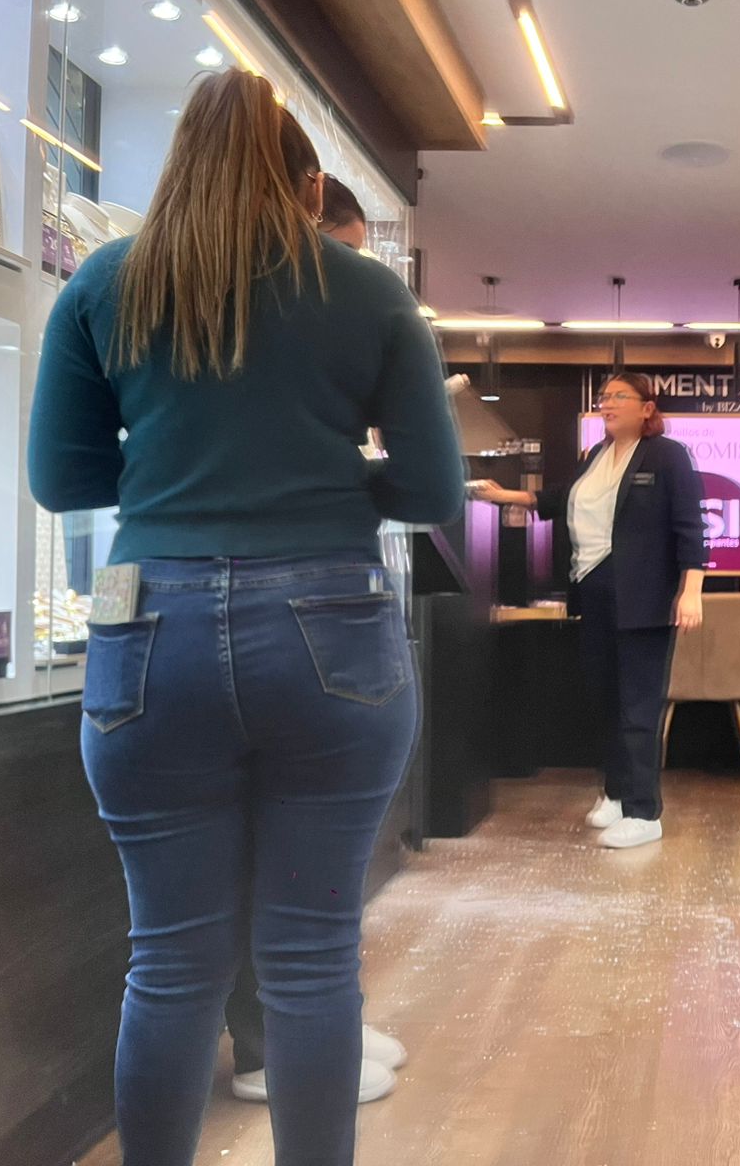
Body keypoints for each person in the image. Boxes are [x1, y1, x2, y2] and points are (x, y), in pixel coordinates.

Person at [27, 68, 463, 1166]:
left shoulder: (104, 284)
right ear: (309, 189)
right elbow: (431, 491)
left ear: (177, 167)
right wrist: (321, 480)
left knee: (170, 963)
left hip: (147, 631)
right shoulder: (366, 294)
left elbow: (61, 476)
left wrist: (175, 482)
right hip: (330, 630)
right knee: (311, 959)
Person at [221, 168, 407, 1107]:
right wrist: (341, 478)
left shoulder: (142, 290)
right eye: (343, 248)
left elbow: (71, 468)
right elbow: (428, 484)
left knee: (258, 888)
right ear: (302, 207)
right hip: (301, 609)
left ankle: (308, 1026)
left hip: (173, 613)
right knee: (279, 873)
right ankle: (277, 1047)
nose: (349, 271)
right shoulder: (333, 310)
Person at [475, 373, 706, 848]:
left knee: (638, 705)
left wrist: (691, 591)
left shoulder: (667, 455)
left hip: (643, 595)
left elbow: (690, 526)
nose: (607, 404)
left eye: (619, 396)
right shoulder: (595, 456)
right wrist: (505, 497)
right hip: (593, 588)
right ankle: (617, 794)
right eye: (604, 397)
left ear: (647, 407)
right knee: (606, 698)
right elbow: (561, 498)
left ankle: (644, 812)